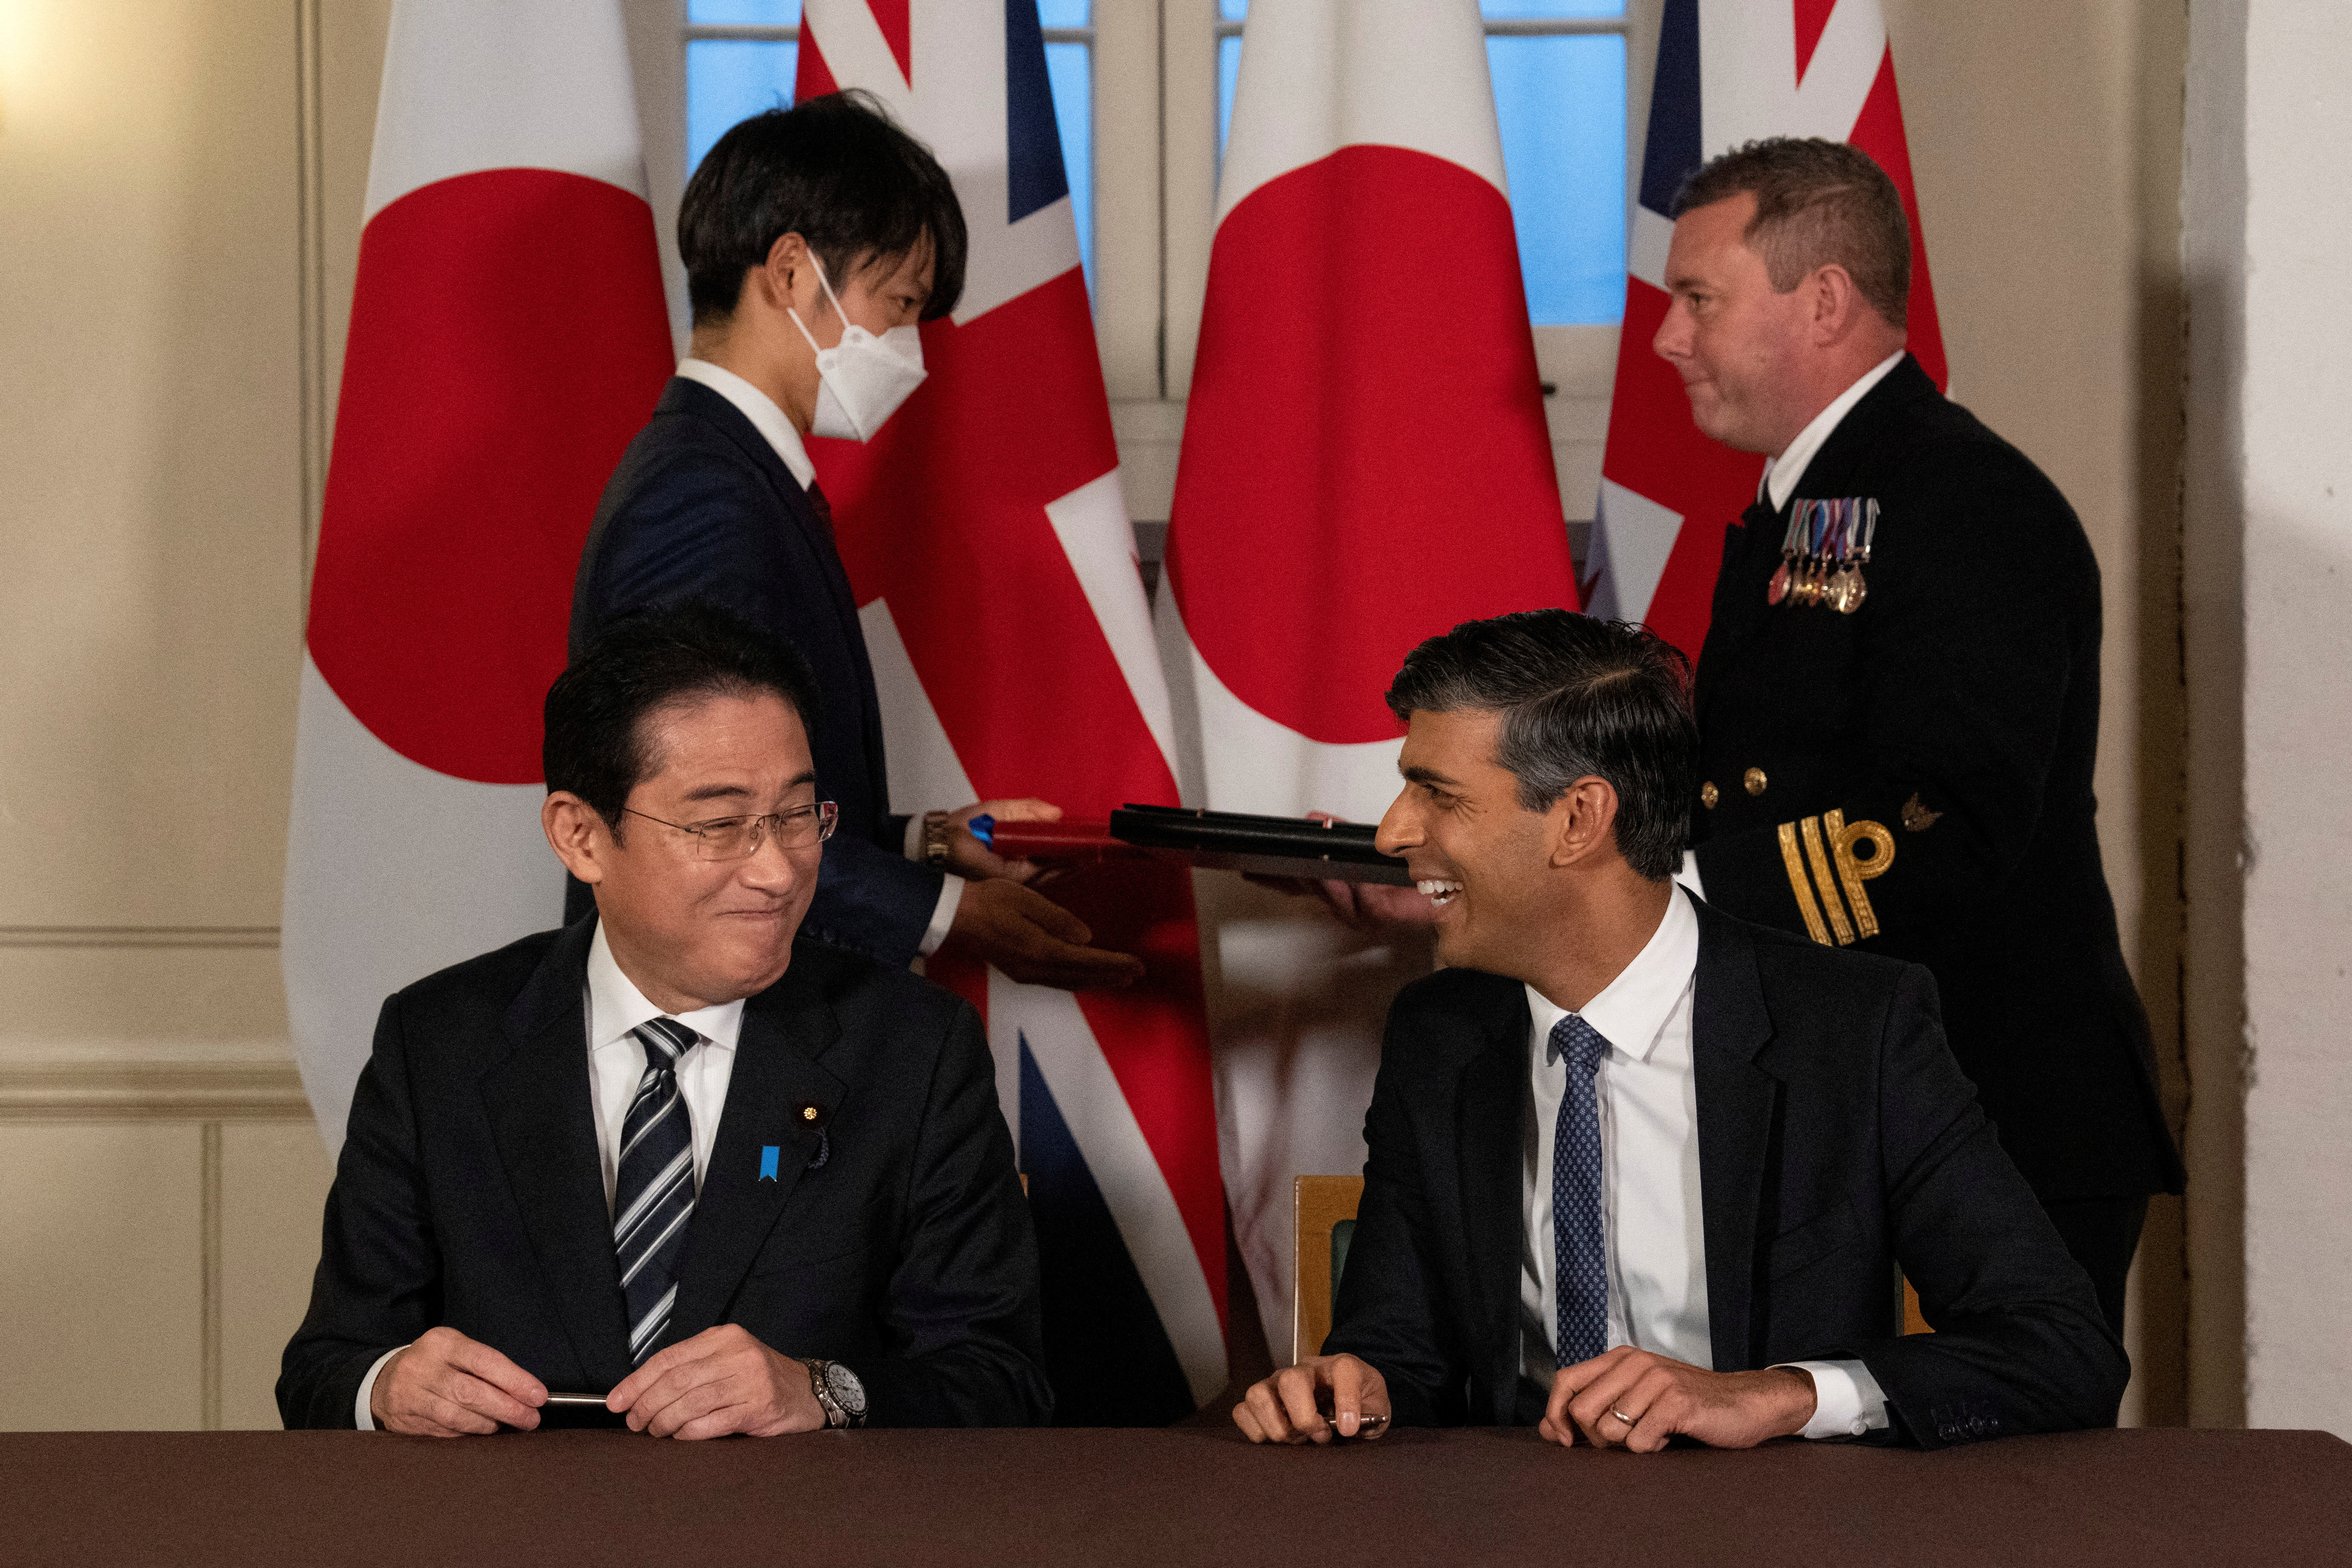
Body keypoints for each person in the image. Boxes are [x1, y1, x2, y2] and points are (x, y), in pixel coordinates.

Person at [1234, 610, 2125, 1451]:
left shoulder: (1852, 1029)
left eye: (1436, 794)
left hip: (1772, 1535)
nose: (1392, 832)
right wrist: (1353, 1386)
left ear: (1579, 818)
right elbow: (1399, 1349)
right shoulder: (1439, 1033)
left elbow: (2062, 1349)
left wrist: (1778, 1395)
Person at [279, 600, 1051, 1435]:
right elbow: (325, 1373)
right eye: (719, 825)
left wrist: (824, 1392)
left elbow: (1000, 1381)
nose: (777, 872)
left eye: (796, 815)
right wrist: (388, 1385)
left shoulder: (913, 1048)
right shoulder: (438, 1042)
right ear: (579, 837)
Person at [1651, 138, 2181, 1332]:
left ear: (1822, 297)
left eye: (1697, 300)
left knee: (1987, 1518)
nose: (1667, 340)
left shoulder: (1959, 499)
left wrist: (1652, 898)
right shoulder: (1824, 498)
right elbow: (1748, 786)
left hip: (1991, 1120)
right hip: (1870, 1103)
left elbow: (1938, 825)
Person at [571, 90, 1141, 994]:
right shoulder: (702, 498)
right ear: (791, 273)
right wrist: (950, 914)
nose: (907, 347)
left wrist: (933, 843)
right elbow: (707, 828)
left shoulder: (736, 473)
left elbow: (768, 796)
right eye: (899, 303)